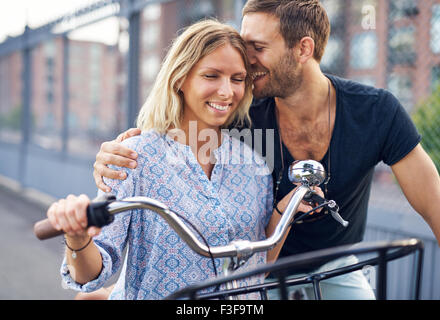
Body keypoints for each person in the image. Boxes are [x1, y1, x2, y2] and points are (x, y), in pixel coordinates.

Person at [93, 0, 440, 300]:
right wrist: (116, 154)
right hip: (253, 271)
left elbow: (433, 203)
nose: (247, 60)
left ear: (303, 49)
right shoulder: (240, 117)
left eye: (257, 47)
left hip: (335, 264)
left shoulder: (375, 112)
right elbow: (171, 145)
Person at [48, 19, 318, 300]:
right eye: (211, 76)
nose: (227, 92)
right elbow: (91, 275)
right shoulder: (135, 157)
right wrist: (77, 238)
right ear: (180, 79)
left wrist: (285, 212)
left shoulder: (254, 165)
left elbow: (256, 267)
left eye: (237, 79)